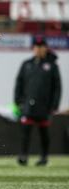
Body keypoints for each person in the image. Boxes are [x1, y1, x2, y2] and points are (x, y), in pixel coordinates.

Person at [15, 37, 61, 166]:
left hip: (45, 106)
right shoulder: (27, 64)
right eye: (36, 47)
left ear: (45, 48)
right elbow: (19, 83)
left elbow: (57, 87)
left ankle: (44, 157)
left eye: (41, 47)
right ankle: (23, 156)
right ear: (33, 48)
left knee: (44, 133)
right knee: (25, 132)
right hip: (28, 105)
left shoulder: (52, 65)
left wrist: (54, 105)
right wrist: (18, 101)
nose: (39, 49)